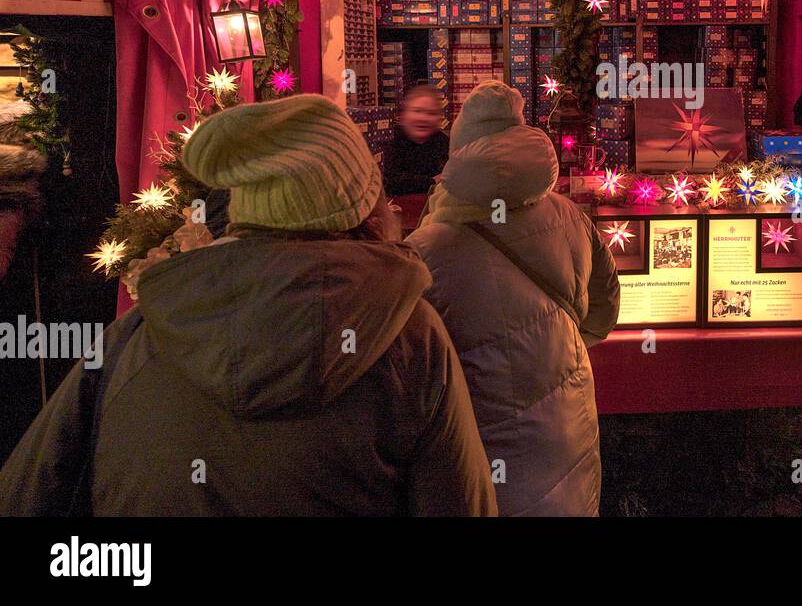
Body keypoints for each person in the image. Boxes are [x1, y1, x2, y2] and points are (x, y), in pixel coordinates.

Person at [0, 94, 497, 517]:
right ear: (365, 207)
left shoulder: (140, 329)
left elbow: (31, 487)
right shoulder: (410, 334)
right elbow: (459, 499)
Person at [407, 80, 620, 517]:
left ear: (460, 154)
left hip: (482, 453)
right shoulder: (569, 215)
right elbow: (605, 311)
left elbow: (410, 374)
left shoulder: (426, 250)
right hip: (568, 431)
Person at [382, 84, 451, 197]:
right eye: (417, 111)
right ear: (404, 115)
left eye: (431, 113)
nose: (423, 118)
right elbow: (392, 182)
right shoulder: (392, 141)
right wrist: (431, 181)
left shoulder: (444, 144)